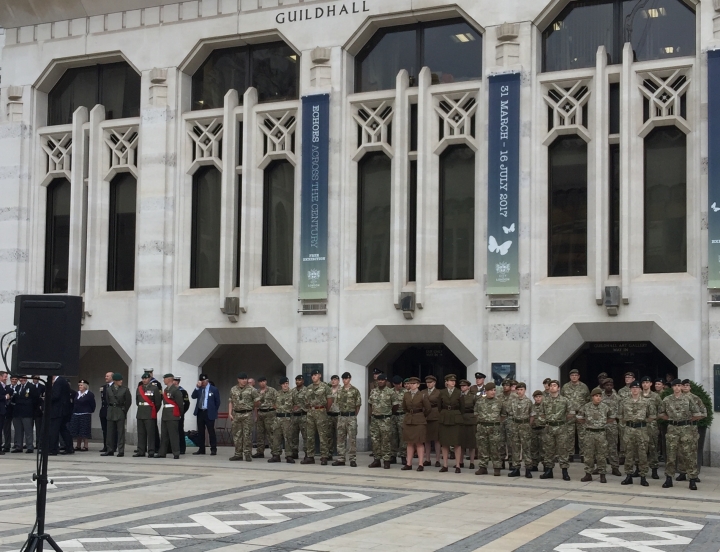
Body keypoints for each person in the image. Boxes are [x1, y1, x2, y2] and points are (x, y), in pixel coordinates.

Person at [660, 379, 704, 490]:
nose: (677, 388)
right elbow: (660, 413)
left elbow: (698, 413)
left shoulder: (689, 399)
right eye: (675, 386)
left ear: (681, 387)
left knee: (689, 455)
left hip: (686, 429)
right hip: (672, 429)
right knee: (670, 455)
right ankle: (669, 478)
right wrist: (670, 418)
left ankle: (692, 479)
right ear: (672, 387)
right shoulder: (667, 399)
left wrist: (688, 421)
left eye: (679, 385)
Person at [618, 381, 655, 486]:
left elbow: (652, 415)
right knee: (628, 453)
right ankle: (628, 476)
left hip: (641, 430)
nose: (635, 389)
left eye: (637, 387)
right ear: (630, 389)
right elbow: (620, 415)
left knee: (643, 454)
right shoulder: (624, 401)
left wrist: (643, 421)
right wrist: (627, 421)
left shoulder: (646, 402)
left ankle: (643, 476)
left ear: (640, 389)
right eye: (633, 387)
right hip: (629, 429)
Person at [576, 387, 613, 483]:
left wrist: (602, 423)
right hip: (589, 433)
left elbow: (611, 418)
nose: (598, 398)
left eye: (600, 396)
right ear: (592, 397)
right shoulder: (586, 406)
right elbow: (579, 418)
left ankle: (602, 475)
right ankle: (588, 474)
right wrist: (588, 423)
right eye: (596, 396)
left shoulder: (605, 407)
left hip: (601, 433)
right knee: (588, 455)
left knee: (602, 455)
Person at [539, 379, 573, 480]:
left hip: (561, 428)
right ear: (548, 388)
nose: (553, 387)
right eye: (551, 386)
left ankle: (564, 471)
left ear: (558, 388)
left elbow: (570, 413)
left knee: (563, 450)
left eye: (555, 385)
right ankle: (549, 471)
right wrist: (549, 421)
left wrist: (560, 420)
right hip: (549, 428)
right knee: (549, 450)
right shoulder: (545, 401)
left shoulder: (565, 400)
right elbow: (541, 414)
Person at [676, 379, 708, 482]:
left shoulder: (695, 398)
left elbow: (704, 412)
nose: (685, 387)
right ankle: (682, 472)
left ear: (690, 387)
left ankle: (693, 474)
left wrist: (695, 418)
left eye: (687, 385)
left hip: (691, 428)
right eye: (683, 385)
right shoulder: (676, 398)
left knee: (692, 451)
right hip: (679, 428)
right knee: (680, 451)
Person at [301, 369, 333, 465]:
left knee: (323, 435)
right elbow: (306, 400)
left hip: (321, 411)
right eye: (312, 375)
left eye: (315, 375)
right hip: (310, 412)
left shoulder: (325, 387)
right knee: (309, 435)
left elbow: (329, 400)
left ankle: (324, 457)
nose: (314, 377)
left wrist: (324, 410)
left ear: (320, 375)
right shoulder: (309, 387)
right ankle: (310, 456)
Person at [503, 382, 533, 478]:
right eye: (518, 390)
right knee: (515, 447)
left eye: (521, 390)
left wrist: (528, 425)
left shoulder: (528, 402)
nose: (519, 391)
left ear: (525, 390)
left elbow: (532, 415)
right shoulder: (512, 401)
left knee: (526, 448)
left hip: (525, 425)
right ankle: (516, 468)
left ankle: (528, 469)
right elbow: (509, 413)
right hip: (515, 425)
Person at [368, 374, 398, 469]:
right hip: (375, 419)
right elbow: (370, 404)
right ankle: (377, 460)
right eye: (379, 380)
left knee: (386, 440)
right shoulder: (373, 391)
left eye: (382, 380)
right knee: (375, 440)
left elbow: (395, 406)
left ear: (386, 381)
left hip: (385, 419)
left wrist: (388, 413)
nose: (380, 381)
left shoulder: (390, 392)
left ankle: (386, 460)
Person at [400, 376, 430, 471]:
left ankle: (420, 464)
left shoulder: (422, 395)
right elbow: (404, 407)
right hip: (409, 420)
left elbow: (428, 408)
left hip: (419, 420)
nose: (411, 385)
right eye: (410, 383)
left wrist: (421, 415)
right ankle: (409, 463)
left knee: (419, 443)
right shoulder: (406, 395)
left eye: (414, 384)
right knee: (409, 443)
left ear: (418, 385)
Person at [229, 373, 260, 461]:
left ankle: (247, 454)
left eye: (245, 379)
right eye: (242, 379)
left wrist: (251, 406)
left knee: (247, 435)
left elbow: (257, 402)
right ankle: (238, 454)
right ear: (238, 380)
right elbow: (230, 401)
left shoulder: (252, 389)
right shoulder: (233, 389)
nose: (244, 380)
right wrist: (229, 413)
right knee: (237, 435)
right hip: (236, 414)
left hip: (247, 414)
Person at [333, 372, 362, 467]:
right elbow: (336, 403)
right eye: (343, 379)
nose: (345, 380)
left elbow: (358, 405)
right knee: (340, 438)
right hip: (341, 417)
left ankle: (352, 459)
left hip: (351, 417)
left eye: (346, 378)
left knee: (352, 439)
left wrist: (353, 415)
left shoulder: (355, 391)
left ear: (350, 379)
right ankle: (341, 458)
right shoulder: (339, 391)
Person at [474, 382, 503, 476]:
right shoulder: (480, 401)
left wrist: (496, 422)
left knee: (495, 448)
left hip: (494, 428)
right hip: (482, 427)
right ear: (486, 391)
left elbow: (503, 415)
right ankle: (483, 467)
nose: (493, 392)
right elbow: (476, 413)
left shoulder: (499, 402)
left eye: (494, 390)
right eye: (491, 390)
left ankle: (497, 467)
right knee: (482, 448)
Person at [561, 368, 589, 461]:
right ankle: (570, 454)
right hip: (570, 414)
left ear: (579, 376)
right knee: (569, 435)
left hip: (581, 414)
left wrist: (585, 412)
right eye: (572, 375)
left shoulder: (584, 386)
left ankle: (583, 455)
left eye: (576, 375)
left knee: (583, 435)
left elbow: (588, 400)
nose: (574, 377)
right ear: (570, 377)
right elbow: (562, 400)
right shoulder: (565, 387)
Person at [101, 373, 132, 457]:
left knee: (121, 432)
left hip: (120, 410)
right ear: (115, 381)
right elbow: (107, 400)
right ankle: (110, 449)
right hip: (111, 411)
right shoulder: (108, 389)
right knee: (110, 432)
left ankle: (121, 450)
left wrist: (124, 410)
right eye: (119, 380)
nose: (121, 381)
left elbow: (128, 402)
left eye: (121, 380)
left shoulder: (125, 389)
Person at [154, 373, 183, 459]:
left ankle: (176, 452)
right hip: (165, 414)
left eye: (165, 379)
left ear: (169, 379)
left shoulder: (175, 390)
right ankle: (162, 452)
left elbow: (180, 404)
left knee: (173, 435)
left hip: (173, 414)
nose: (163, 380)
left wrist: (179, 414)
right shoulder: (166, 389)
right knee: (164, 435)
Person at [437, 374, 463, 473]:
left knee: (457, 442)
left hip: (455, 417)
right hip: (444, 418)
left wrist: (457, 415)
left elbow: (462, 407)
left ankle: (457, 465)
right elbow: (439, 406)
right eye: (451, 381)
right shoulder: (442, 392)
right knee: (444, 443)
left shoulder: (458, 392)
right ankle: (445, 465)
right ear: (446, 382)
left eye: (454, 381)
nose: (453, 382)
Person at [191, 374, 220, 456]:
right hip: (200, 411)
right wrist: (197, 387)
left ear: (207, 381)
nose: (202, 383)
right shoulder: (199, 389)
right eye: (201, 381)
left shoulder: (214, 389)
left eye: (204, 381)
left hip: (209, 412)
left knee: (211, 431)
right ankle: (201, 449)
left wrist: (213, 410)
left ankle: (213, 449)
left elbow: (217, 402)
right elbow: (193, 396)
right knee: (201, 431)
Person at [135, 373, 162, 457]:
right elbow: (137, 401)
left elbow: (158, 403)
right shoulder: (139, 388)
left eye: (146, 378)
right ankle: (141, 451)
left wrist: (153, 411)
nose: (144, 380)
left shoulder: (154, 388)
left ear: (149, 379)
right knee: (141, 433)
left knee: (151, 434)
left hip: (150, 413)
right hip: (140, 413)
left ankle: (151, 451)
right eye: (143, 378)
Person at [640, 376, 663, 479]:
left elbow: (661, 410)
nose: (645, 384)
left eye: (647, 382)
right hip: (639, 426)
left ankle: (654, 470)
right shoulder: (637, 395)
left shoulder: (655, 396)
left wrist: (654, 419)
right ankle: (639, 469)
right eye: (643, 382)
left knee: (653, 448)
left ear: (651, 384)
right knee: (639, 448)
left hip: (652, 426)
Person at [600, 378, 622, 476]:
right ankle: (600, 467)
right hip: (600, 425)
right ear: (604, 386)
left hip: (612, 425)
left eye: (610, 385)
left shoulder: (617, 398)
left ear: (612, 386)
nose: (608, 386)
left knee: (613, 446)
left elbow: (621, 411)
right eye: (606, 385)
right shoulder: (599, 396)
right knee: (600, 447)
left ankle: (615, 467)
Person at [271, 377, 295, 463]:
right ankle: (276, 455)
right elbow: (273, 404)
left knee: (288, 437)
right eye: (284, 383)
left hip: (287, 418)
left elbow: (296, 405)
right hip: (278, 418)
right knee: (276, 437)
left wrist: (289, 411)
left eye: (287, 383)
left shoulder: (292, 393)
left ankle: (289, 455)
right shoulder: (277, 394)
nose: (285, 385)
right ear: (281, 385)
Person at [11, 375, 38, 453]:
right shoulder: (17, 387)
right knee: (18, 430)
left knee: (28, 430)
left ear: (26, 378)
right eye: (21, 378)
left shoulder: (31, 387)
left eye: (24, 378)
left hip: (27, 412)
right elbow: (14, 399)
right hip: (17, 412)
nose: (22, 379)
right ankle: (19, 446)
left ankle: (30, 446)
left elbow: (35, 399)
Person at [49, 376, 74, 456]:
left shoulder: (59, 381)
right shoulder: (62, 381)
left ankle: (53, 449)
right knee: (63, 429)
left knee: (54, 430)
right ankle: (69, 447)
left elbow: (56, 395)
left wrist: (47, 397)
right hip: (62, 410)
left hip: (58, 410)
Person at [253, 377, 278, 459]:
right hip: (260, 413)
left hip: (270, 413)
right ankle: (260, 452)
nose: (262, 383)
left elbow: (278, 400)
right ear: (258, 383)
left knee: (271, 433)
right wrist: (256, 415)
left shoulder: (272, 390)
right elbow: (255, 405)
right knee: (260, 434)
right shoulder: (257, 392)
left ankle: (274, 453)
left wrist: (275, 408)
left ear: (266, 382)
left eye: (263, 381)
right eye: (260, 382)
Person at [68, 379, 95, 451]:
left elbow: (93, 405)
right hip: (76, 413)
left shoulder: (89, 394)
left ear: (85, 386)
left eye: (81, 385)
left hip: (85, 414)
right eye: (79, 385)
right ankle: (78, 445)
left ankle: (85, 446)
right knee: (77, 430)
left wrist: (89, 411)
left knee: (84, 430)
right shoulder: (77, 393)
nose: (80, 386)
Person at [421, 375, 441, 467]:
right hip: (425, 416)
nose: (428, 384)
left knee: (437, 439)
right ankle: (427, 459)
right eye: (427, 382)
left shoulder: (438, 392)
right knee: (427, 439)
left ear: (434, 383)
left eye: (430, 382)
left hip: (435, 415)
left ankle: (437, 460)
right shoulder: (423, 392)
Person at [458, 379, 477, 470]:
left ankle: (472, 462)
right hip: (461, 420)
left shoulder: (473, 396)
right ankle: (460, 461)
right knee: (461, 442)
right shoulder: (458, 395)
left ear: (468, 387)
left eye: (464, 386)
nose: (462, 387)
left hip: (471, 420)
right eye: (461, 386)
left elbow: (477, 407)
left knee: (471, 443)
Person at [617, 371, 635, 463]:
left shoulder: (637, 389)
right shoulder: (621, 391)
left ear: (633, 379)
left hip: (634, 417)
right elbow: (618, 405)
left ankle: (633, 456)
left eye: (629, 377)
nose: (627, 379)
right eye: (626, 377)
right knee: (622, 437)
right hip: (623, 418)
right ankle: (622, 455)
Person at [390, 375, 407, 465]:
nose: (399, 386)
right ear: (393, 384)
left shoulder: (405, 392)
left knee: (403, 436)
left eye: (400, 384)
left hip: (402, 416)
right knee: (393, 436)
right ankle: (393, 455)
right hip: (392, 416)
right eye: (397, 384)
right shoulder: (390, 392)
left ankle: (403, 456)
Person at [291, 375, 308, 460]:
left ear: (303, 381)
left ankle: (307, 453)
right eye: (296, 380)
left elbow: (309, 403)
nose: (298, 381)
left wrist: (300, 407)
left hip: (303, 416)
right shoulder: (292, 391)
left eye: (300, 380)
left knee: (306, 436)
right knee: (294, 436)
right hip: (294, 417)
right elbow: (290, 402)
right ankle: (294, 452)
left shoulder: (307, 390)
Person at [173, 376, 191, 454]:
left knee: (180, 430)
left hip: (180, 414)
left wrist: (182, 412)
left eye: (174, 380)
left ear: (177, 382)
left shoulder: (183, 391)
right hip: (172, 414)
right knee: (173, 431)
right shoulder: (171, 390)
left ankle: (182, 448)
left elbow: (187, 403)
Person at [326, 375, 341, 458]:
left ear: (338, 381)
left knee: (340, 435)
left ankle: (340, 453)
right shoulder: (328, 390)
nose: (333, 381)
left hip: (338, 415)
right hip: (329, 415)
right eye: (332, 379)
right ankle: (329, 453)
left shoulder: (342, 390)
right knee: (329, 435)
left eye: (335, 379)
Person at [530, 390, 545, 471]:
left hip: (543, 429)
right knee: (533, 448)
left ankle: (545, 465)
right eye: (536, 397)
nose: (538, 398)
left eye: (539, 397)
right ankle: (534, 464)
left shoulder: (545, 406)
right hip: (534, 429)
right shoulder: (531, 407)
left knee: (544, 448)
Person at [99, 372, 114, 453]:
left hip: (111, 410)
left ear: (112, 377)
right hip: (104, 410)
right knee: (104, 430)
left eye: (107, 376)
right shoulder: (103, 387)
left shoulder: (115, 387)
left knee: (112, 430)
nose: (106, 377)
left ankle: (112, 446)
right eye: (105, 376)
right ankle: (105, 446)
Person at [3, 375, 17, 452]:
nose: (14, 380)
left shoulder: (17, 387)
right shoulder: (7, 387)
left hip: (14, 411)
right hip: (6, 411)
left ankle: (14, 443)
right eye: (12, 379)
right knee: (6, 429)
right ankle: (6, 444)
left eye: (15, 379)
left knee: (15, 429)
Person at [31, 376, 45, 450]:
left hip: (38, 411)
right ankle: (29, 443)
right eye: (35, 378)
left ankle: (39, 443)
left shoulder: (42, 387)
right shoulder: (30, 386)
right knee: (29, 428)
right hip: (30, 410)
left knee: (38, 428)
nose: (36, 379)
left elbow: (43, 398)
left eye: (38, 378)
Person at [0, 372, 11, 454]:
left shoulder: (4, 386)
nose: (6, 378)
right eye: (4, 376)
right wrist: (5, 397)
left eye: (7, 377)